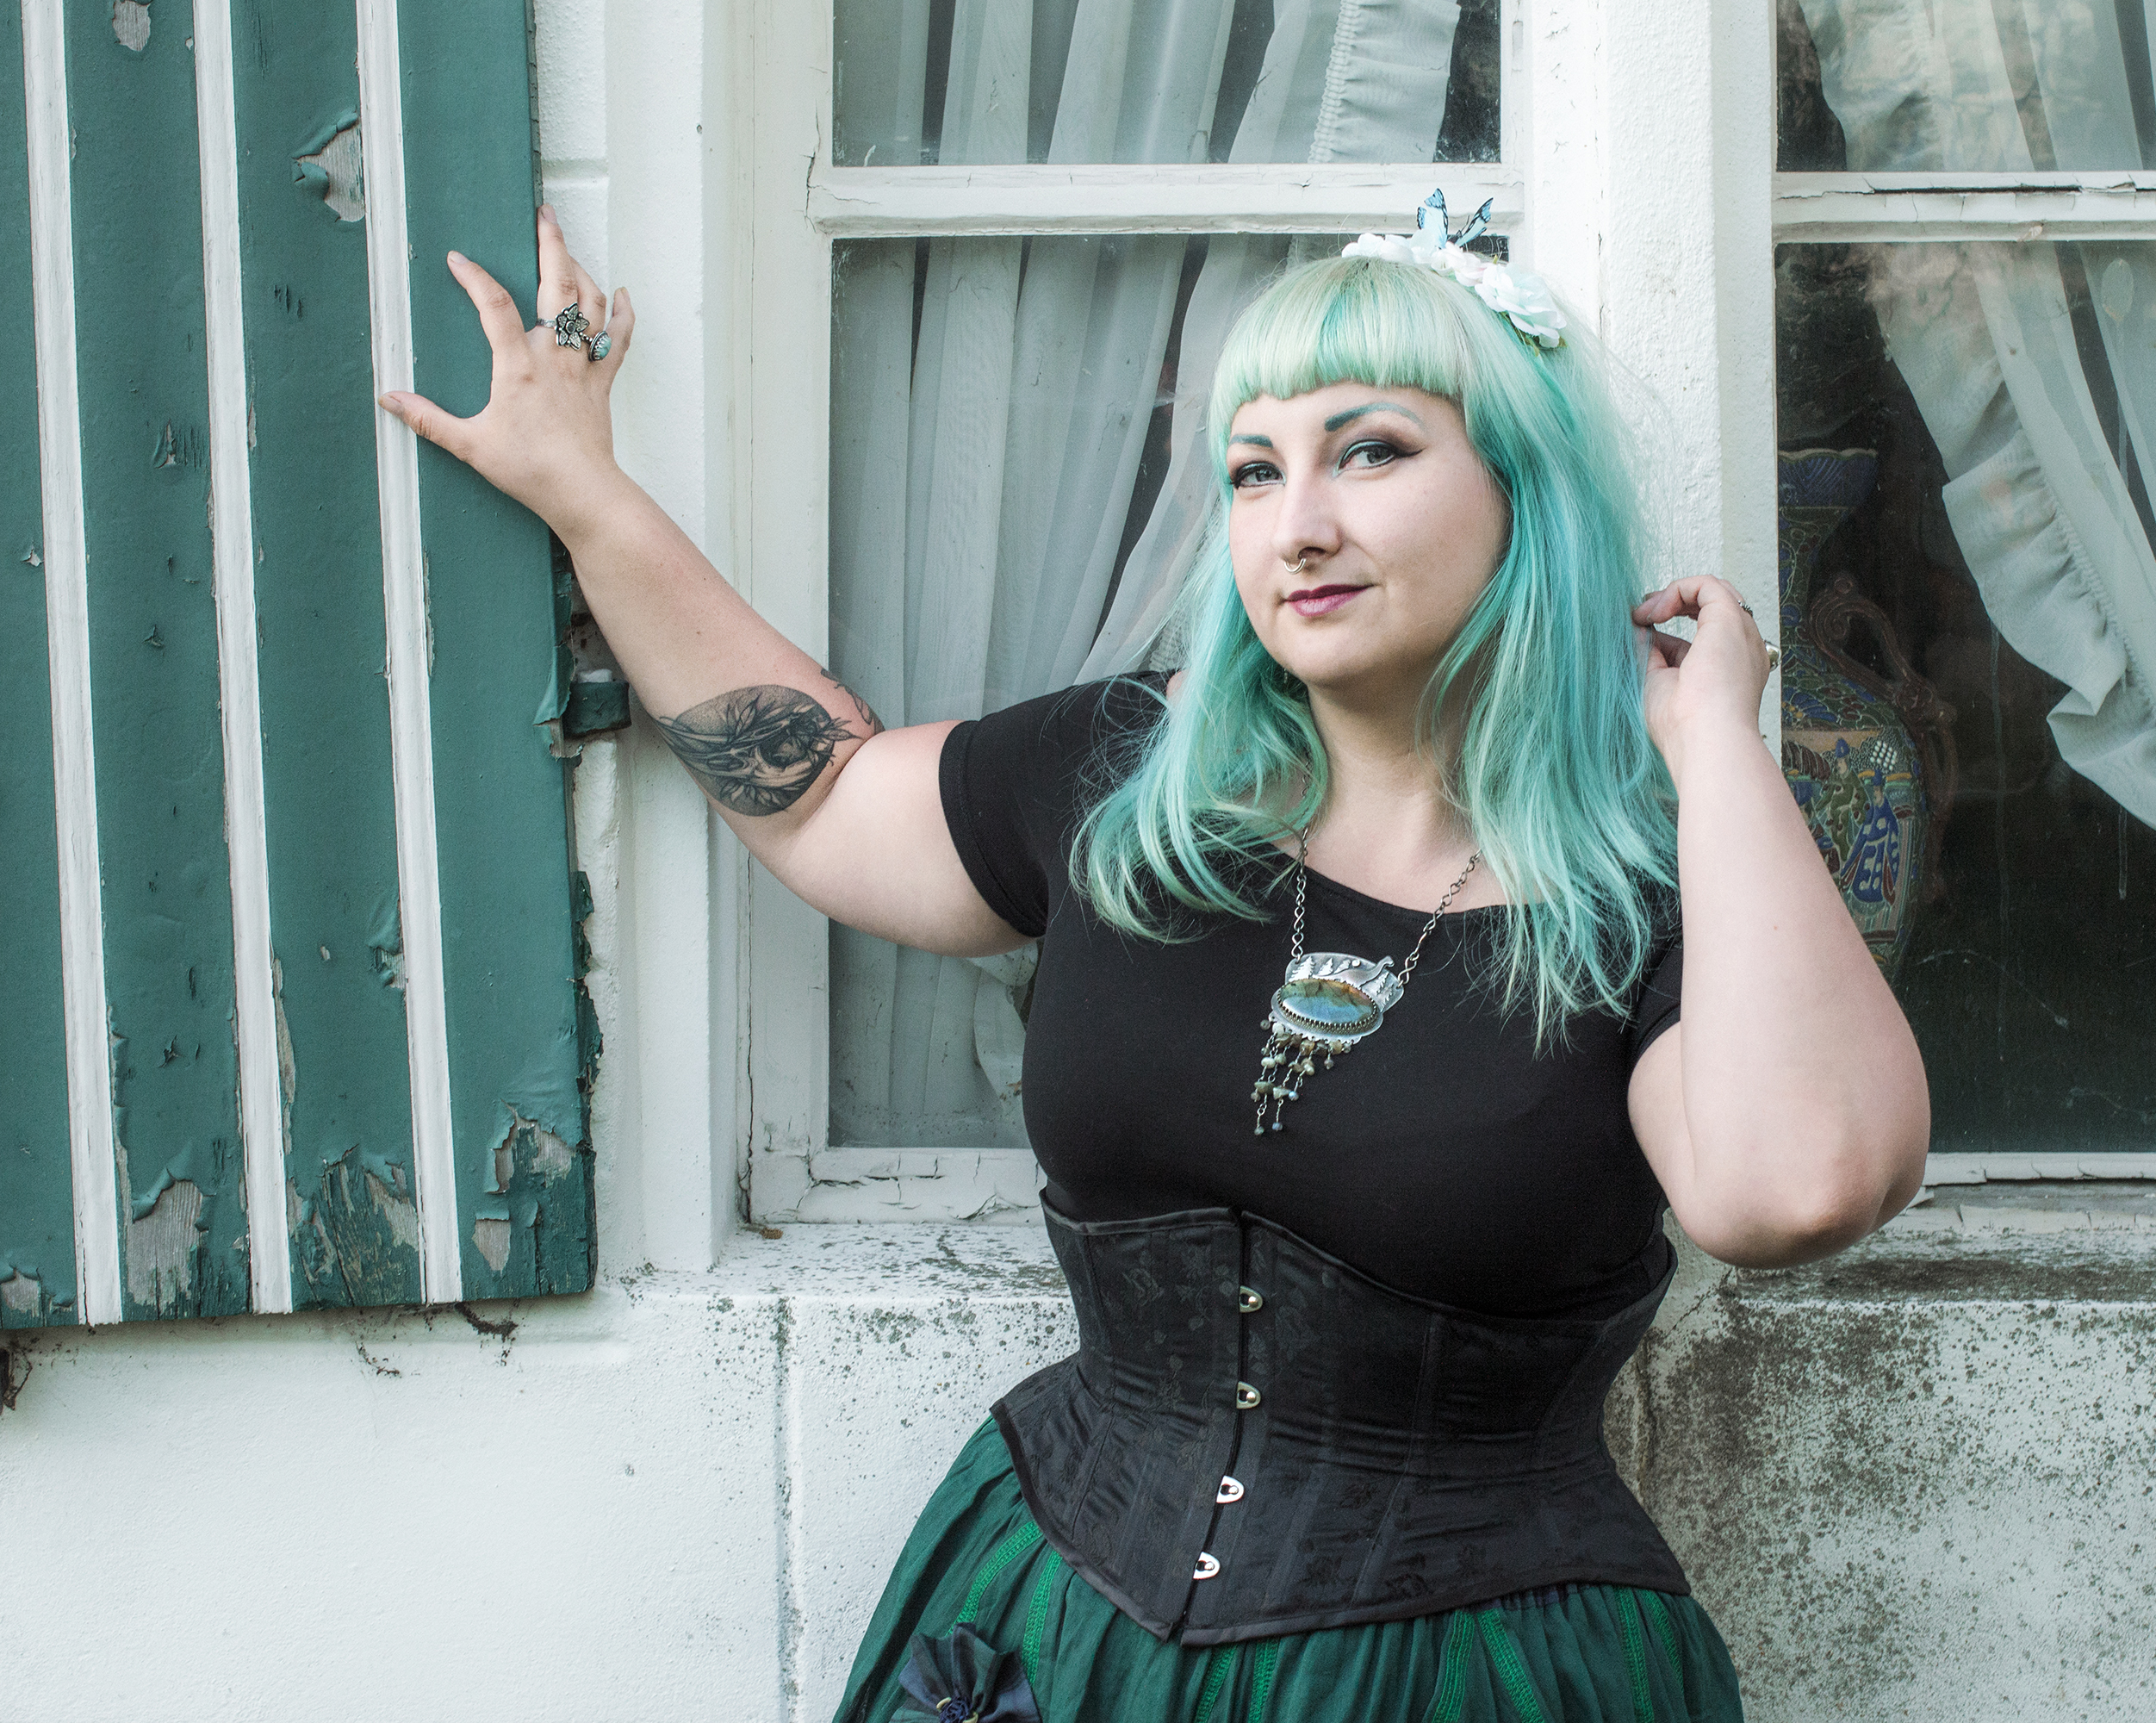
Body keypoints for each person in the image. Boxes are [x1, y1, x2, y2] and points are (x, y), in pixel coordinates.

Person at [381, 194, 1929, 1723]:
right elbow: (827, 796)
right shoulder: (1132, 783)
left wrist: (1714, 747)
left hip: (1466, 1680)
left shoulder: (1655, 893)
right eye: (1254, 470)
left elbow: (1789, 1191)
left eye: (1371, 452)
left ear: (1527, 495)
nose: (1298, 523)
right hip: (1061, 1634)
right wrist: (587, 495)